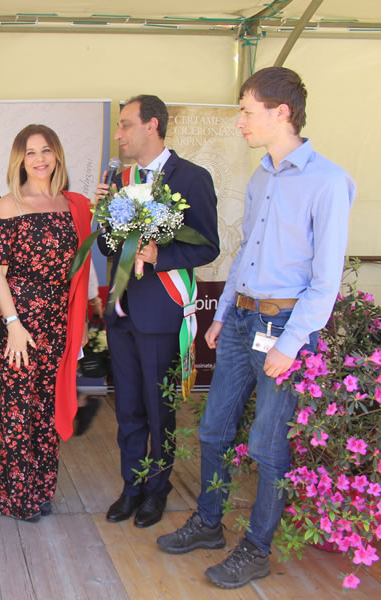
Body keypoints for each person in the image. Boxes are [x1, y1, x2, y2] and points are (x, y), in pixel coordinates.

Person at [157, 67, 355, 589]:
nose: (240, 121)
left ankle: (257, 548)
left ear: (281, 112)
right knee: (213, 428)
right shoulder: (262, 174)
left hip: (285, 326)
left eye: (247, 111)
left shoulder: (329, 182)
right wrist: (223, 314)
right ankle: (208, 523)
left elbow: (325, 281)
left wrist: (291, 344)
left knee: (268, 444)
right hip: (242, 318)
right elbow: (248, 249)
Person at [96, 95, 219, 529]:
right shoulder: (119, 179)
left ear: (152, 125)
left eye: (125, 125)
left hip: (162, 311)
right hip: (123, 310)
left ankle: (157, 488)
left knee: (157, 406)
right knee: (127, 405)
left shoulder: (192, 177)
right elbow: (106, 247)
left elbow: (207, 245)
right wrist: (104, 217)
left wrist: (158, 255)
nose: (119, 135)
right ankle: (131, 486)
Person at [0, 124, 90, 522]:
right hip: (20, 322)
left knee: (48, 406)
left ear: (57, 154)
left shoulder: (72, 205)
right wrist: (13, 324)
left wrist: (80, 321)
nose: (39, 159)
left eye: (46, 150)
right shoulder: (9, 204)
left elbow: (80, 271)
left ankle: (42, 488)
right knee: (18, 409)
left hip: (58, 318)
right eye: (30, 152)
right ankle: (17, 497)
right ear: (20, 159)